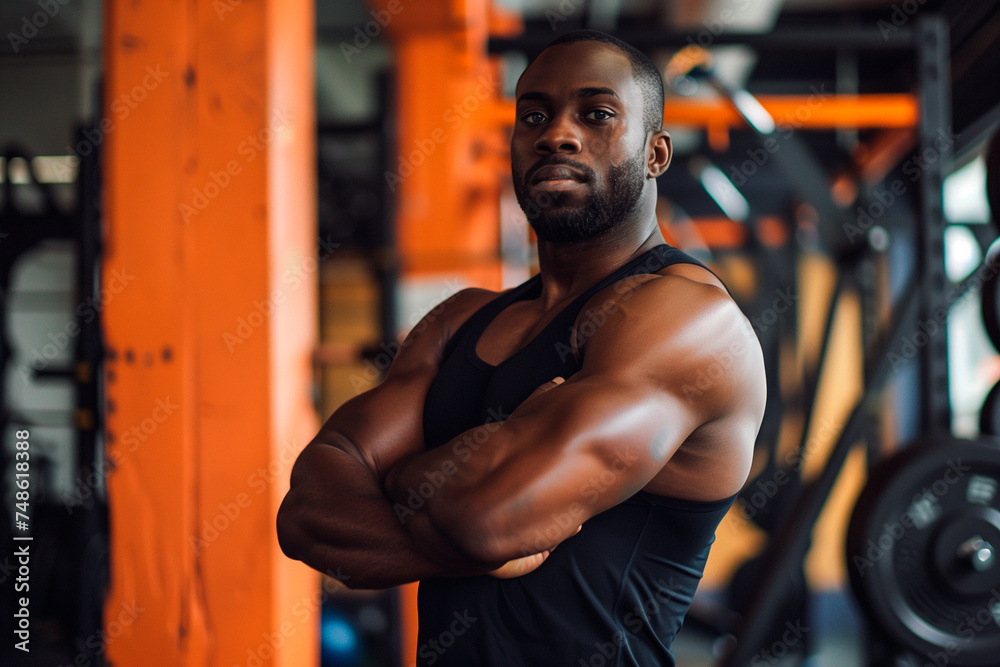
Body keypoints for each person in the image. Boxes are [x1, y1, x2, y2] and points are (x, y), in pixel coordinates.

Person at [277, 29, 766, 667]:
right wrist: (473, 498)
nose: (557, 134)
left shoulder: (688, 320)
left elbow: (489, 519)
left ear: (656, 154)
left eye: (597, 114)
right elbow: (307, 515)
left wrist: (400, 477)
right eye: (533, 114)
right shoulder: (461, 319)